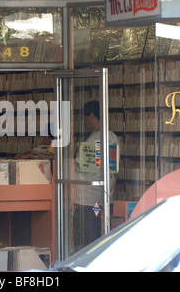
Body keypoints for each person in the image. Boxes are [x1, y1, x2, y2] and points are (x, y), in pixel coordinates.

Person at [73, 100, 120, 251]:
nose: (85, 123)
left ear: (92, 116)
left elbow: (79, 167)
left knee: (88, 243)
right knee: (103, 239)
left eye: (85, 119)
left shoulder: (93, 140)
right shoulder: (113, 137)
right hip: (106, 198)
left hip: (87, 200)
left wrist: (72, 151)